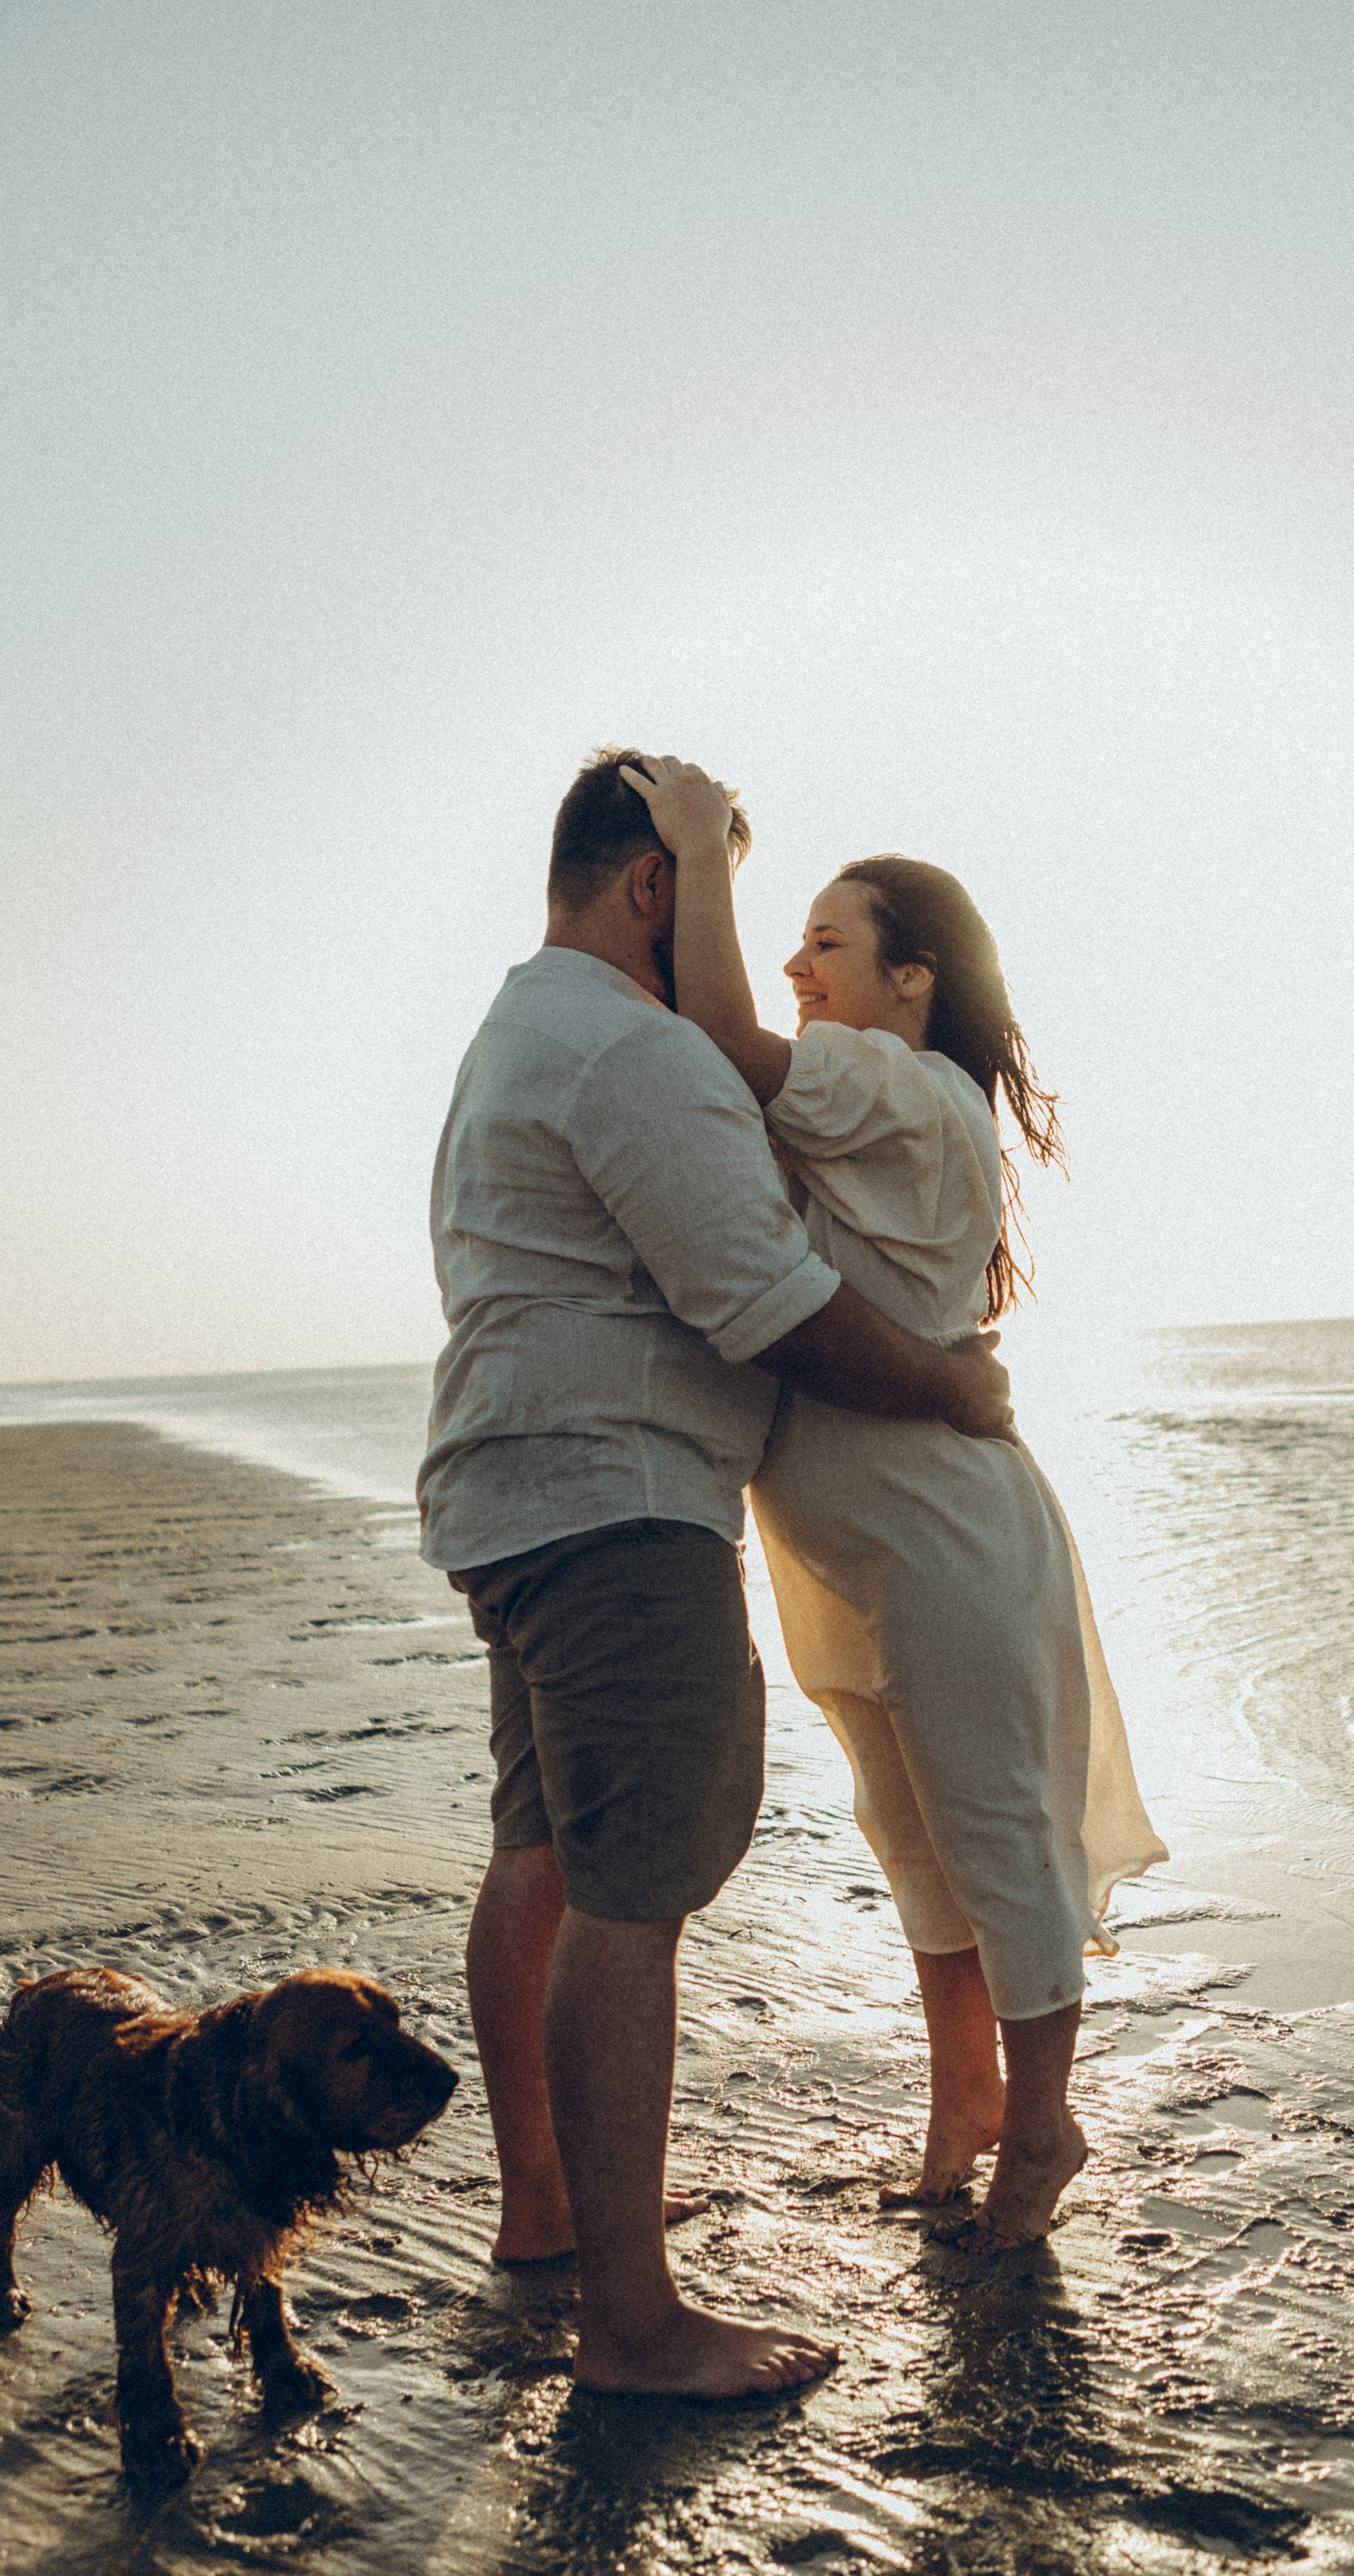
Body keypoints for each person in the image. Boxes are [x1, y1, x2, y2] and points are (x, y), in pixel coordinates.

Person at [418, 744, 1013, 2399]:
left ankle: (549, 2211)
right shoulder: (633, 1048)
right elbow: (768, 1308)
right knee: (633, 1891)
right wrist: (950, 1386)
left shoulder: (515, 1026)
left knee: (542, 1851)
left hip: (511, 1495)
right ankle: (631, 2321)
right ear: (653, 887)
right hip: (619, 1512)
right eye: (716, 896)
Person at [623, 755, 1167, 2248]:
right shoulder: (864, 1108)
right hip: (852, 1555)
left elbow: (721, 1032)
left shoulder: (908, 1090)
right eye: (794, 939)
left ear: (912, 979)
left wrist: (699, 849)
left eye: (828, 943)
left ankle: (1043, 2128)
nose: (797, 965)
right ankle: (963, 2108)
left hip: (941, 1539)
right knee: (914, 1846)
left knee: (993, 1837)